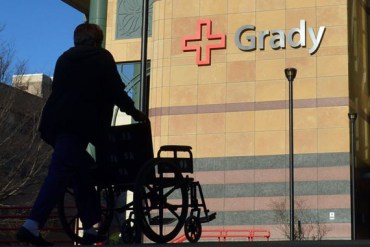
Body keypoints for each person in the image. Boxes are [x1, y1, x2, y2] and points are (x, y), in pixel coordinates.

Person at [16, 22, 147, 246]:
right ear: (97, 40)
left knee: (81, 169)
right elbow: (116, 92)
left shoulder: (64, 59)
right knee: (59, 172)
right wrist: (135, 112)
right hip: (77, 125)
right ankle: (32, 224)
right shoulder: (101, 57)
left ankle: (90, 227)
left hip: (53, 124)